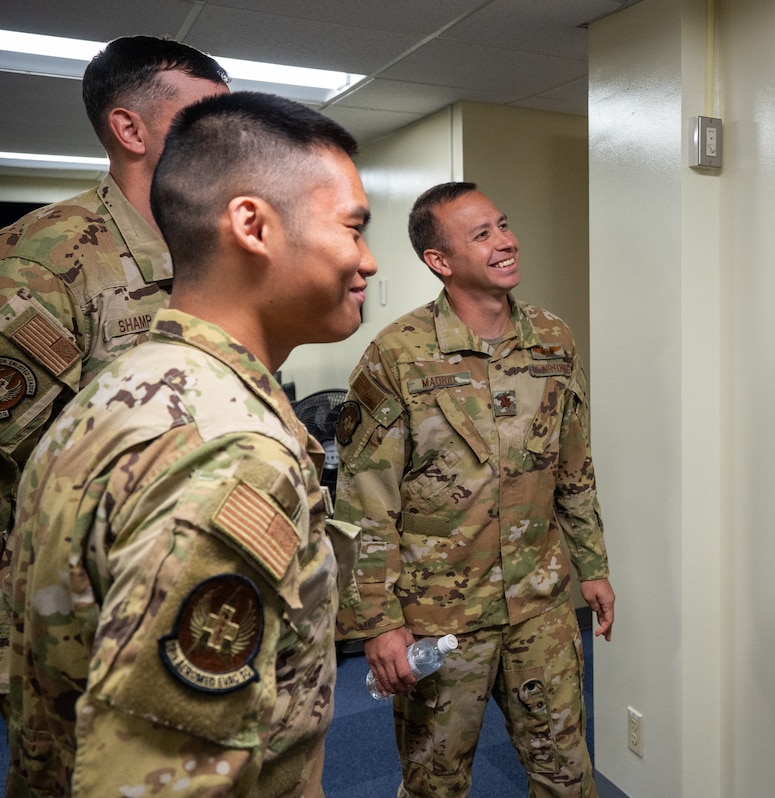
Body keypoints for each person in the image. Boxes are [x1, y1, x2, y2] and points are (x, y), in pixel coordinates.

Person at [5, 91, 377, 795]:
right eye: (353, 228)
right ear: (252, 225)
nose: (369, 261)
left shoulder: (127, 385)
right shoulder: (228, 452)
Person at [334, 181, 615, 797]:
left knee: (567, 775)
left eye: (504, 225)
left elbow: (574, 466)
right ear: (441, 261)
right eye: (481, 234)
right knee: (436, 784)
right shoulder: (398, 356)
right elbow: (364, 503)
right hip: (439, 617)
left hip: (539, 606)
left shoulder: (553, 340)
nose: (506, 242)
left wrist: (592, 566)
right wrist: (379, 623)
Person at [0, 36, 229, 712]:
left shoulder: (212, 246)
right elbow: (31, 466)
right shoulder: (42, 258)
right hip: (86, 611)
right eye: (203, 117)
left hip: (203, 581)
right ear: (129, 127)